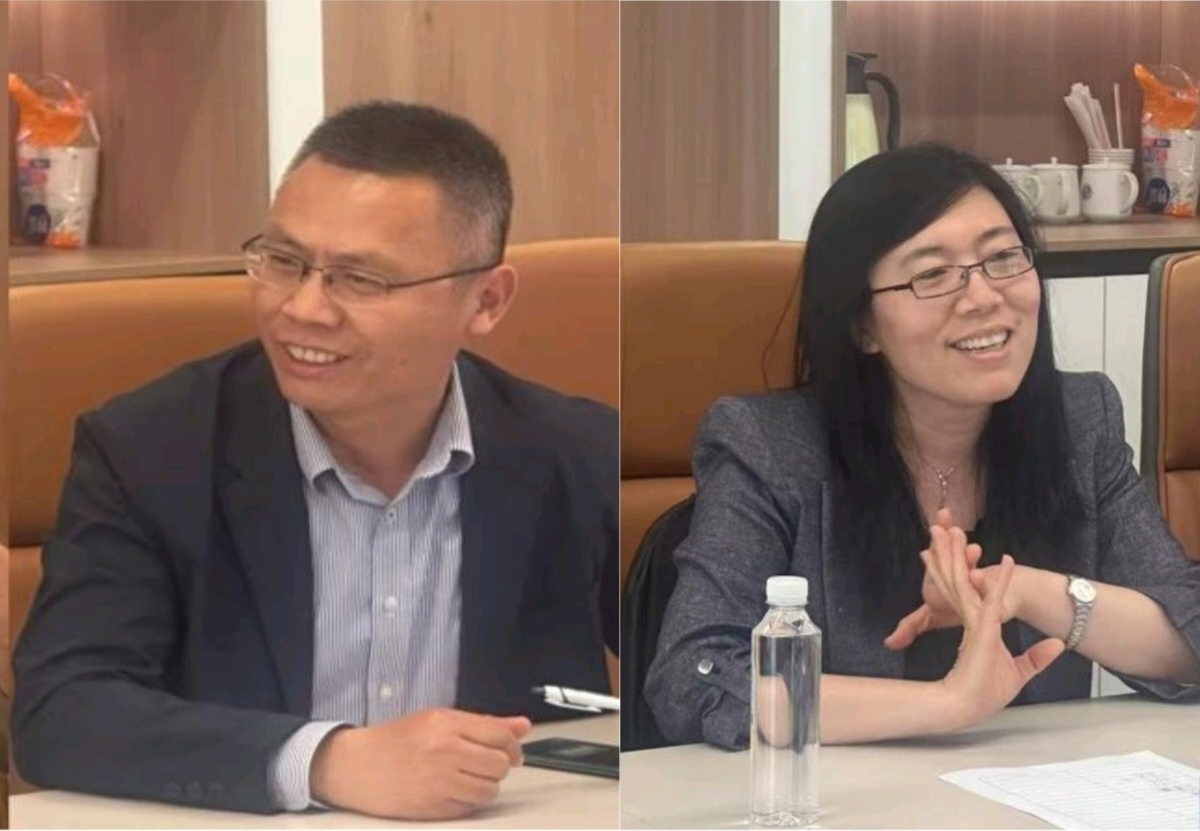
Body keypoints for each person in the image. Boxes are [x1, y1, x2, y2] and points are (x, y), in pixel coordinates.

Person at [13, 101, 618, 819]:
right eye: (283, 261)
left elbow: (688, 667)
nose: (301, 308)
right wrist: (325, 760)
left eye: (360, 279)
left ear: (485, 300)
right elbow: (61, 711)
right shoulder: (149, 448)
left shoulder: (575, 452)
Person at [645, 143, 1200, 749]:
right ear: (862, 325)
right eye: (933, 274)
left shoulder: (1080, 421)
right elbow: (696, 677)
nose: (984, 296)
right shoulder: (770, 446)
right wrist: (948, 703)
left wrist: (1024, 590)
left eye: (1003, 257)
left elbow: (1190, 629)